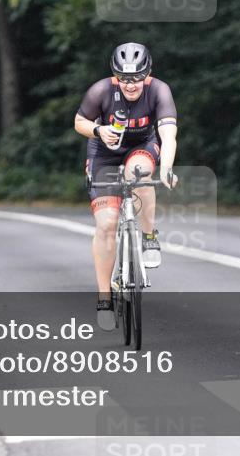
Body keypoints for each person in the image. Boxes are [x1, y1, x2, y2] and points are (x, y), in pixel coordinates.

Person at [74, 42, 178, 330]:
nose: (130, 85)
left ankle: (148, 237)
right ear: (115, 76)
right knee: (106, 224)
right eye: (124, 78)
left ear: (148, 74)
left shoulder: (159, 91)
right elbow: (79, 121)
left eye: (136, 78)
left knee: (141, 173)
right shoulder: (101, 91)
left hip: (142, 146)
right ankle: (104, 298)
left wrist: (167, 168)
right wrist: (98, 130)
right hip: (104, 150)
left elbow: (168, 136)